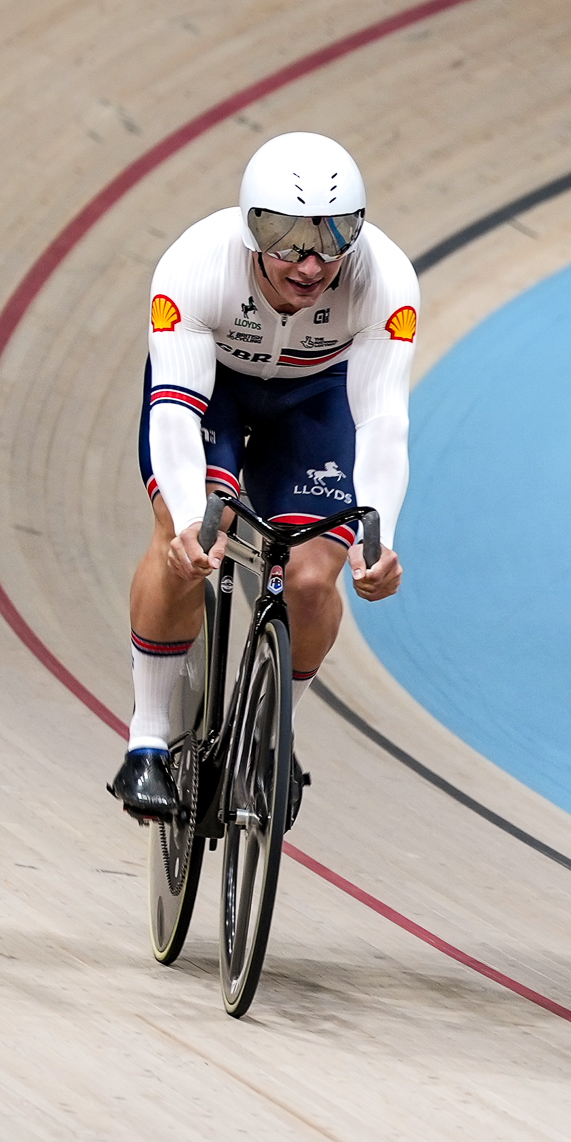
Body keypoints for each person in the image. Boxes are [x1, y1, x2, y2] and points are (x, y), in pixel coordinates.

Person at [108, 132, 417, 818]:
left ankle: (272, 734)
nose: (310, 262)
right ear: (251, 229)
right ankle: (148, 740)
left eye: (334, 236)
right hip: (212, 388)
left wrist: (380, 539)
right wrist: (189, 518)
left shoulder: (386, 280)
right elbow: (172, 414)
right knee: (189, 546)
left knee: (310, 578)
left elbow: (382, 422)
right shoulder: (193, 266)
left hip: (315, 397)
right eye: (286, 238)